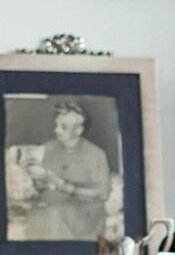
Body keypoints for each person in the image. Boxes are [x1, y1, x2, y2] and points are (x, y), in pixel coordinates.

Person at [18, 100, 111, 240]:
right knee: (37, 215)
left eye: (63, 127)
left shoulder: (96, 154)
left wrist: (67, 187)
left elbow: (103, 194)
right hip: (52, 206)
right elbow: (43, 186)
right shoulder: (49, 148)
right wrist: (38, 179)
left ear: (79, 130)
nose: (56, 130)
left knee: (53, 215)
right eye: (56, 125)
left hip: (85, 213)